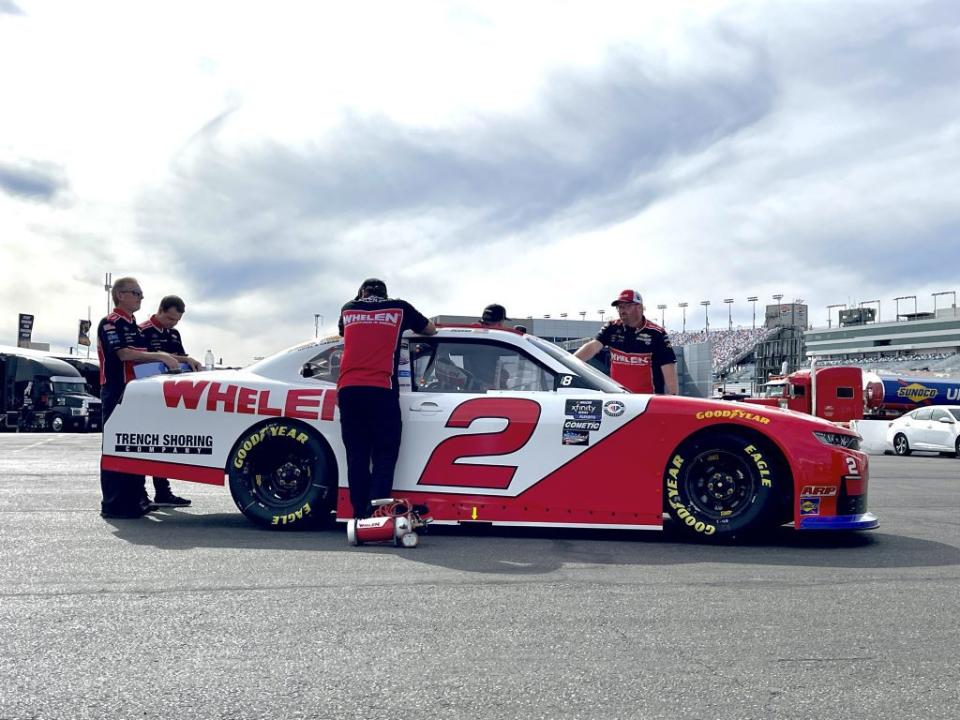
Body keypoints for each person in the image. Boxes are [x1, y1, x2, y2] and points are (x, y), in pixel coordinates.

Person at [337, 278, 436, 518]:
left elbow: (342, 332)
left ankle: (359, 514)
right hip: (381, 388)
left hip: (348, 390)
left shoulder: (349, 308)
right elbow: (431, 330)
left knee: (357, 455)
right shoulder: (400, 308)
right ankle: (377, 513)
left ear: (361, 292)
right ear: (386, 293)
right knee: (384, 453)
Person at [97, 277, 180, 518]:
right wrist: (163, 357)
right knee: (115, 446)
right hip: (116, 389)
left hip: (136, 393)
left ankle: (134, 500)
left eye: (141, 294)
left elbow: (151, 355)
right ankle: (113, 504)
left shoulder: (133, 325)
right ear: (120, 295)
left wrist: (181, 360)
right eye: (136, 293)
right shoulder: (110, 322)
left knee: (134, 445)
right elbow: (124, 354)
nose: (140, 298)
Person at [138, 295, 202, 508]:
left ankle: (163, 491)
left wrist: (188, 360)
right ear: (161, 310)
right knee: (144, 444)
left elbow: (179, 358)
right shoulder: (143, 330)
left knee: (161, 444)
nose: (172, 324)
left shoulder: (173, 333)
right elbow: (140, 358)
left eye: (176, 320)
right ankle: (140, 493)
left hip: (169, 396)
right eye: (169, 319)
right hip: (146, 394)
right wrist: (163, 356)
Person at [574, 289, 679, 394]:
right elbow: (593, 347)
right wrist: (570, 362)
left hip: (648, 400)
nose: (622, 310)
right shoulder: (612, 327)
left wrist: (673, 398)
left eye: (626, 306)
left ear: (639, 307)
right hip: (619, 399)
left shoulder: (657, 333)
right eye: (619, 307)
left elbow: (668, 366)